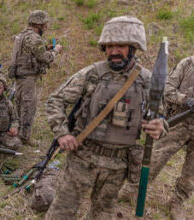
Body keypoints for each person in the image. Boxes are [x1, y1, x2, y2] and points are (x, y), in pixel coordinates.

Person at [44, 16, 166, 220]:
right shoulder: (92, 74)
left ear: (134, 47)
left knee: (102, 215)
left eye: (120, 45)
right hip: (83, 157)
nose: (114, 51)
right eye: (109, 46)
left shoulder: (147, 81)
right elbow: (55, 100)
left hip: (118, 165)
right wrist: (62, 134)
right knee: (62, 212)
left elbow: (160, 116)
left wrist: (159, 126)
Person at [119, 56, 194, 220]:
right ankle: (132, 190)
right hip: (178, 122)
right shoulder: (189, 63)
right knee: (154, 158)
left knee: (192, 172)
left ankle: (177, 203)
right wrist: (186, 99)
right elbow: (167, 89)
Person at [9, 10, 62, 146]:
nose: (46, 27)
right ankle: (25, 137)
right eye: (44, 24)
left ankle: (18, 133)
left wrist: (46, 48)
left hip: (19, 77)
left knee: (19, 106)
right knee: (28, 107)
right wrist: (55, 51)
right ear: (38, 24)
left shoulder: (21, 36)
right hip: (28, 78)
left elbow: (29, 53)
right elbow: (44, 57)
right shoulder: (34, 38)